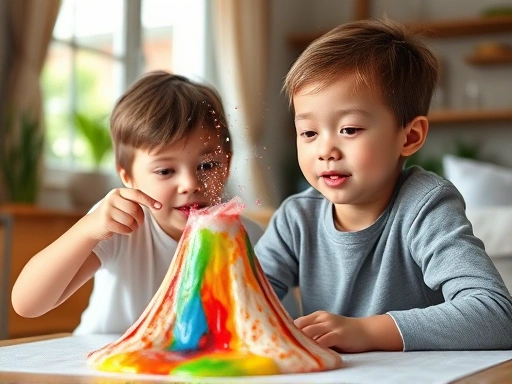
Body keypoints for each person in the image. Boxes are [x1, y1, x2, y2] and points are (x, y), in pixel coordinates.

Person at [254, 17, 512, 352]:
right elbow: (245, 300)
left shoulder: (426, 206)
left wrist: (367, 332)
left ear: (410, 136)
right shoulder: (295, 219)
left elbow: (496, 316)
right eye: (309, 133)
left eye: (349, 129)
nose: (325, 151)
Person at [12, 71, 264, 334]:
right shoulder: (119, 228)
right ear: (128, 177)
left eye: (208, 165)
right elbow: (28, 304)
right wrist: (87, 229)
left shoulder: (249, 239)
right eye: (165, 171)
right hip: (104, 364)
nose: (190, 183)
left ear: (227, 166)